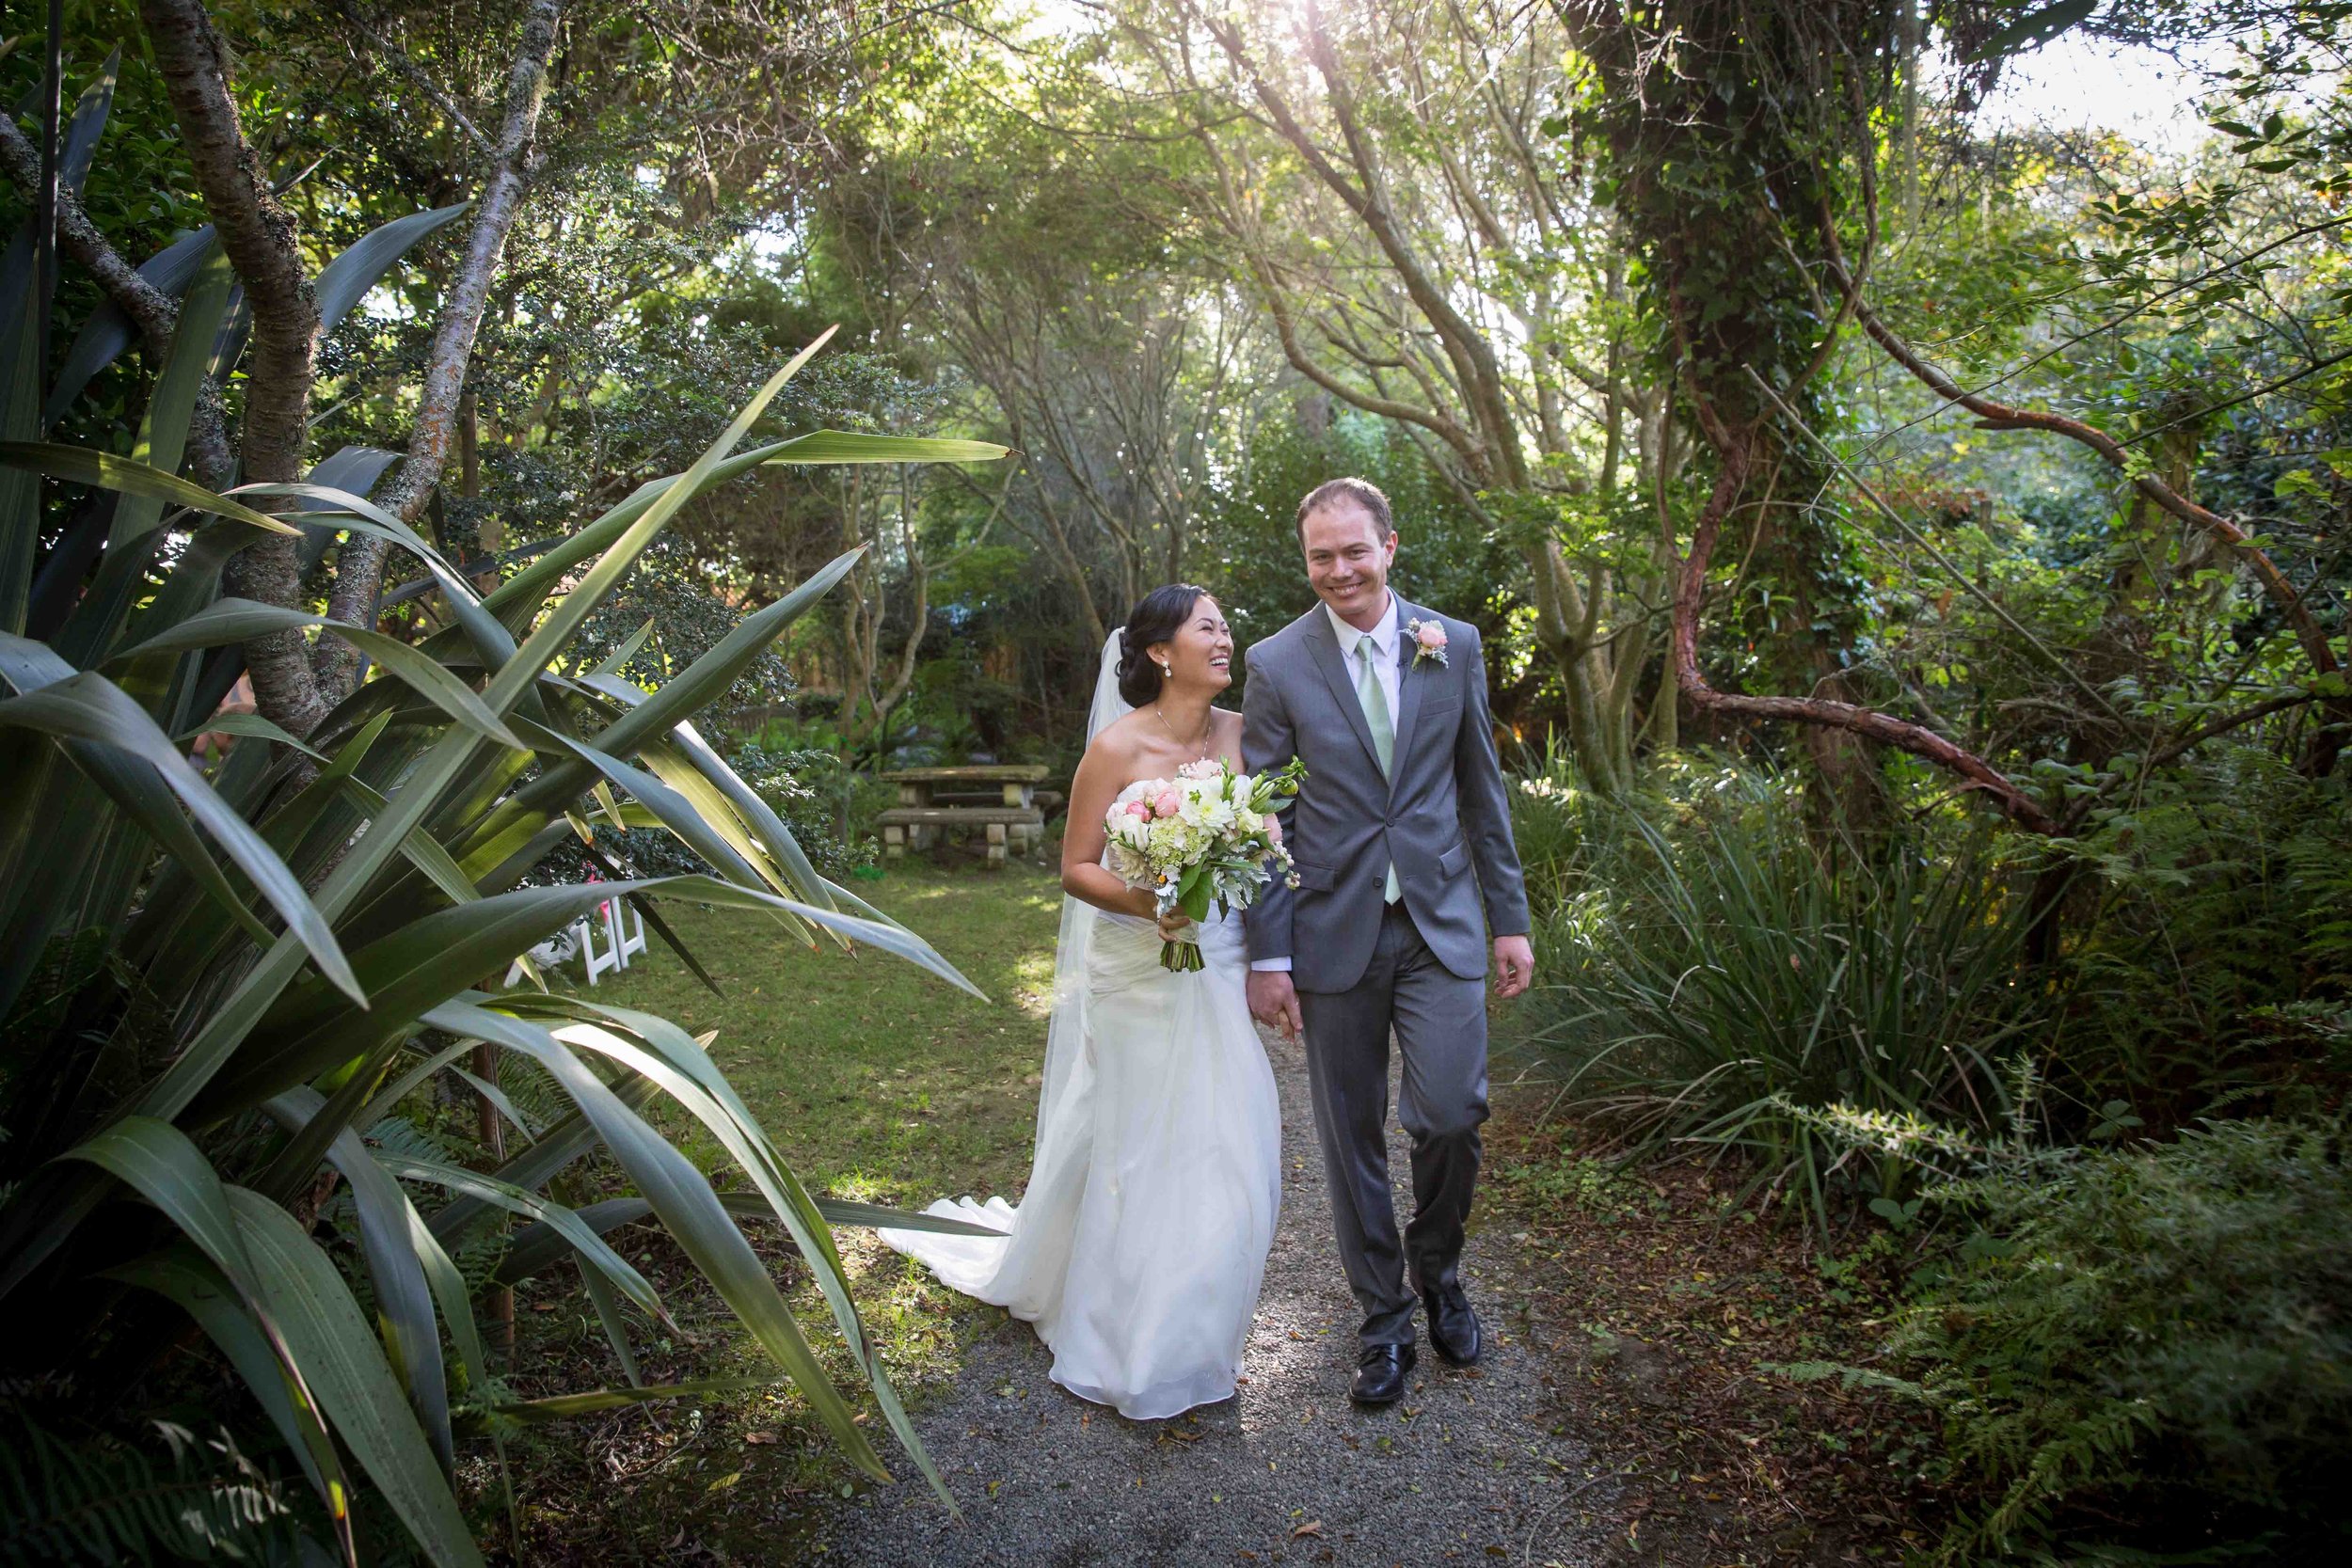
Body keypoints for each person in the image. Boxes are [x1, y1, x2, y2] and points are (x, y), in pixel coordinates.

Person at [877, 585, 1281, 1420]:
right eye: (1208, 626)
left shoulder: (1245, 735)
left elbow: (1269, 842)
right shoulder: (1116, 747)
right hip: (1137, 962)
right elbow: (1077, 868)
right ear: (1162, 651)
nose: (1225, 638)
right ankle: (1122, 1325)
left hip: (1217, 958)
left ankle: (1194, 1322)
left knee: (1229, 1136)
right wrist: (1153, 902)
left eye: (1225, 627)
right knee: (1137, 1141)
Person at [1241, 477, 1534, 1406]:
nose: (1337, 570)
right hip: (1334, 930)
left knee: (1450, 1112)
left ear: (1389, 547)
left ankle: (1436, 1269)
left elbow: (1480, 788)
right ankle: (1381, 1319)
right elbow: (1264, 815)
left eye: (1352, 551)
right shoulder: (1277, 662)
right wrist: (1268, 954)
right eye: (1319, 556)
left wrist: (1511, 917)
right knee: (1348, 1134)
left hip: (1441, 920)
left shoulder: (1454, 645)